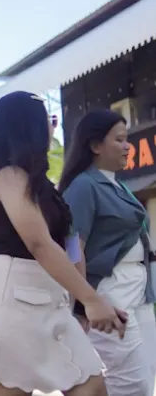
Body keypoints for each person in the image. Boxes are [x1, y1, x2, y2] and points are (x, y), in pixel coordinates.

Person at [0, 91, 127, 396]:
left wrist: (83, 302)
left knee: (91, 386)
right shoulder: (7, 176)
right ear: (29, 126)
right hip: (11, 299)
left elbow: (69, 244)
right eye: (49, 120)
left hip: (51, 298)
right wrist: (90, 299)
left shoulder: (40, 184)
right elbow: (38, 242)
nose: (53, 127)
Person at [59, 109, 156, 396]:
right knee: (132, 382)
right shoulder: (83, 185)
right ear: (95, 145)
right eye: (119, 140)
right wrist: (84, 300)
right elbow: (72, 246)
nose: (128, 147)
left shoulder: (118, 184)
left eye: (127, 140)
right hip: (111, 291)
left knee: (146, 376)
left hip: (139, 291)